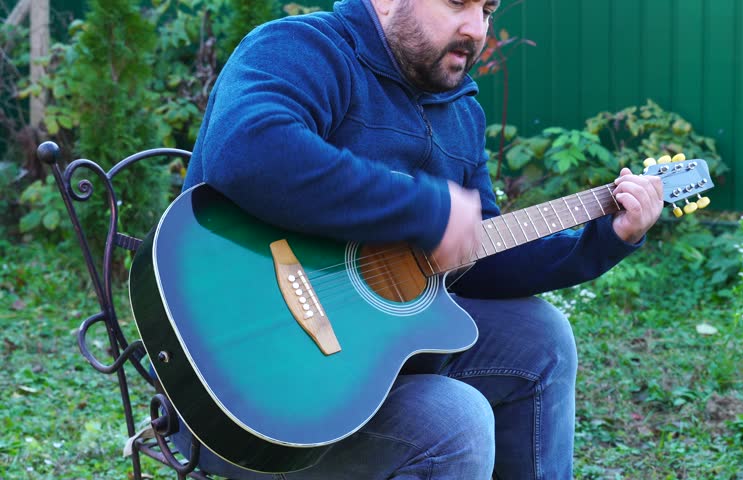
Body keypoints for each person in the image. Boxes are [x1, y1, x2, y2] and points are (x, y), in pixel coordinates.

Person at [177, 0, 663, 478]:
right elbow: (249, 152)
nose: (476, 28)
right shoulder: (303, 48)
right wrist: (424, 209)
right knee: (457, 419)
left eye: (488, 10)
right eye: (457, 2)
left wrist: (606, 238)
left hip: (360, 365)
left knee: (541, 338)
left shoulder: (460, 111)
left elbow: (480, 253)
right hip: (246, 390)